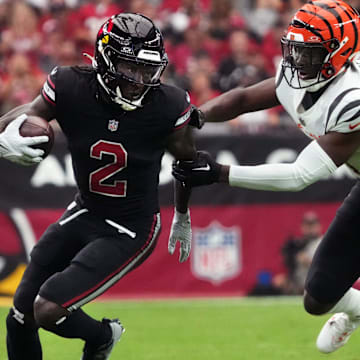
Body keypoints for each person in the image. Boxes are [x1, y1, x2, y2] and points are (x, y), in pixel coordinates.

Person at [0, 13, 196, 360]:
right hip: (87, 208)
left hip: (131, 227)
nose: (139, 81)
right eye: (129, 68)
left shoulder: (168, 105)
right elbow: (31, 115)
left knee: (48, 307)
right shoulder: (70, 85)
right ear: (105, 60)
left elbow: (187, 161)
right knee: (20, 316)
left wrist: (181, 214)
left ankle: (103, 335)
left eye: (147, 70)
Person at [172, 0, 360, 354]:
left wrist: (218, 173)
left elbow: (299, 175)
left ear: (341, 51)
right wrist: (194, 116)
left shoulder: (353, 98)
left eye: (309, 53)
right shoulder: (306, 76)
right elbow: (243, 99)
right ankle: (356, 313)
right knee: (317, 297)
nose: (297, 61)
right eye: (295, 49)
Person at [281, 211, 323, 295]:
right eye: (307, 225)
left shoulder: (323, 243)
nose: (310, 228)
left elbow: (329, 266)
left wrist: (310, 262)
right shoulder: (297, 244)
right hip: (297, 288)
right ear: (302, 227)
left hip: (317, 288)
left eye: (312, 225)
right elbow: (288, 264)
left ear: (319, 226)